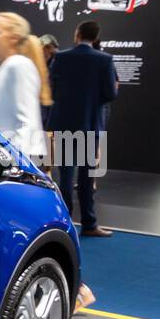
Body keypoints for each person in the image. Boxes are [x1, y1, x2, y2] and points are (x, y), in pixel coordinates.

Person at [47, 20, 117, 238]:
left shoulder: (61, 57)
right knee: (87, 177)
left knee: (66, 175)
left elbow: (52, 87)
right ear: (96, 37)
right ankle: (89, 224)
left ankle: (65, 222)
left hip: (65, 123)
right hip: (88, 125)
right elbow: (110, 95)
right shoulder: (104, 60)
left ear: (77, 34)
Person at [0, 12, 50, 166]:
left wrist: (16, 167)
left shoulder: (18, 65)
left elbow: (26, 123)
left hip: (11, 164)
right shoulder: (7, 65)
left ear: (13, 38)